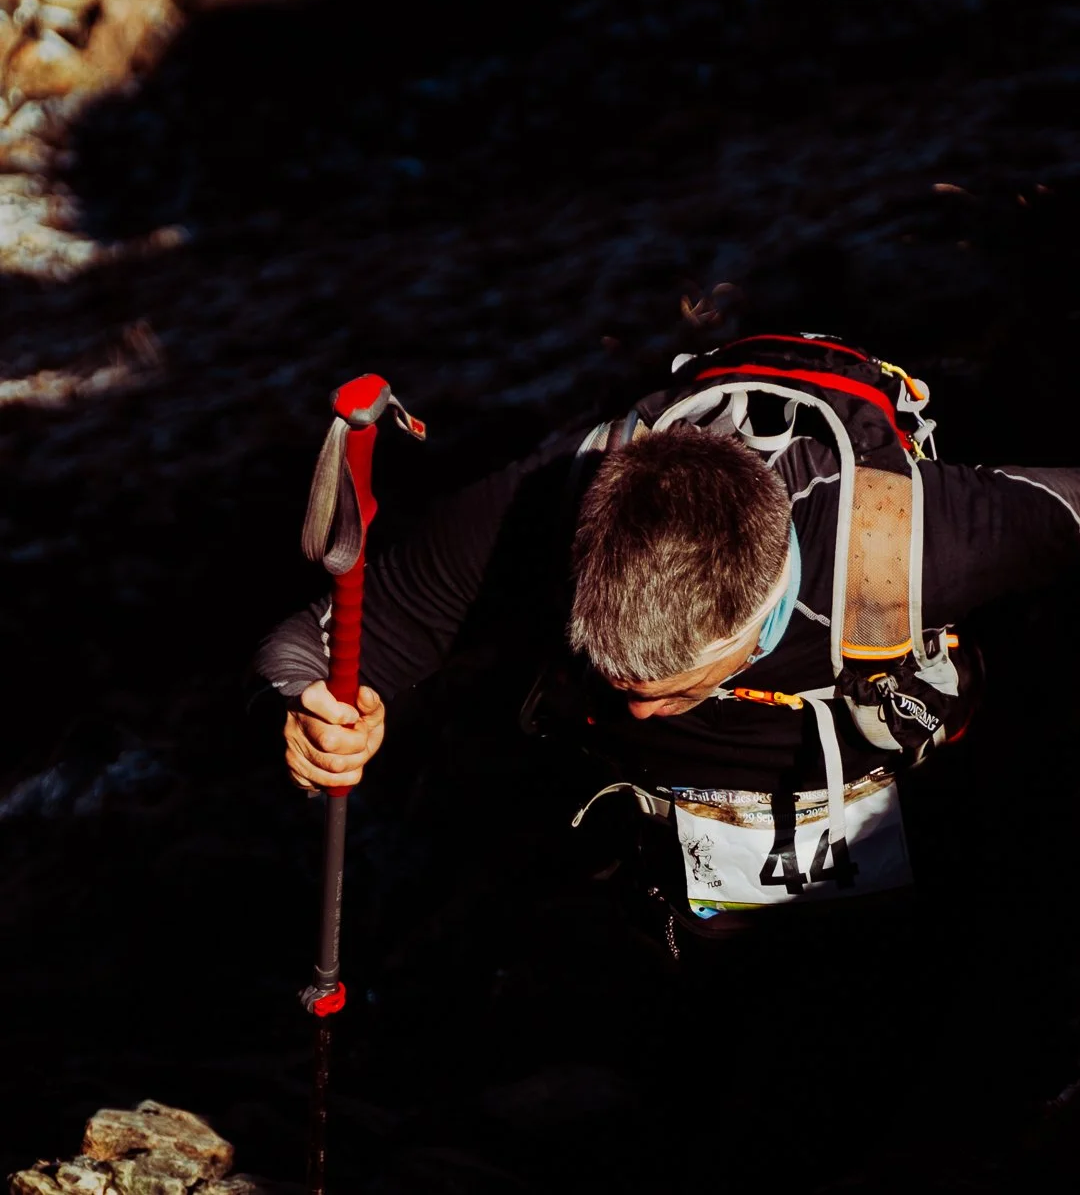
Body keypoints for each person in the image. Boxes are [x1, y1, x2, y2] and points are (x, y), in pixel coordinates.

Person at [257, 333, 1080, 1147]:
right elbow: (324, 638)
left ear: (765, 608)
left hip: (906, 838)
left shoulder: (911, 536)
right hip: (646, 857)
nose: (647, 712)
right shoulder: (541, 509)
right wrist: (311, 708)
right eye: (619, 683)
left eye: (679, 688)